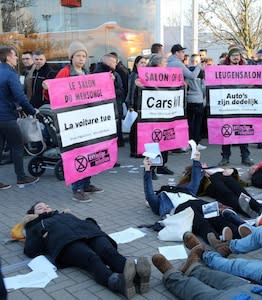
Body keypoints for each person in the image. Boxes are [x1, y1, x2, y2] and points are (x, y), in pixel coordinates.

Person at [23, 202, 151, 299]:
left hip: (89, 233)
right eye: (40, 208)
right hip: (66, 243)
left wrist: (90, 222)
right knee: (91, 257)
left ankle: (138, 276)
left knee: (108, 251)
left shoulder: (65, 214)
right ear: (33, 213)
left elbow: (82, 222)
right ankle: (117, 282)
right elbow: (30, 250)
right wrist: (40, 237)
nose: (45, 208)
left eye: (47, 206)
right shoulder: (34, 225)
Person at [143, 152, 253, 242]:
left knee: (217, 214)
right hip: (182, 209)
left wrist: (196, 161)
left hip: (198, 202)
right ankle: (217, 241)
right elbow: (149, 194)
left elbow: (195, 181)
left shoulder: (186, 190)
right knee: (201, 222)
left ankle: (238, 230)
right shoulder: (160, 199)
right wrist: (147, 170)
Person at [47, 41, 104, 202]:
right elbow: (53, 92)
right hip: (71, 119)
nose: (81, 59)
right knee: (76, 153)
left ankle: (86, 183)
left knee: (89, 151)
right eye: (78, 55)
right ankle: (77, 188)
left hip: (86, 119)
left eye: (84, 56)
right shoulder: (65, 72)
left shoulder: (86, 72)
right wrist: (47, 87)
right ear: (71, 57)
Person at [151, 252, 262, 300]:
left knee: (197, 291)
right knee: (220, 277)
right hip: (257, 293)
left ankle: (171, 275)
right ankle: (194, 268)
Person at [178, 156, 262, 218]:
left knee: (240, 191)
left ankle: (259, 207)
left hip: (225, 177)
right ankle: (245, 210)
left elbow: (241, 181)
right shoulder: (195, 173)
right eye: (202, 164)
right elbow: (188, 185)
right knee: (227, 194)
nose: (204, 164)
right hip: (212, 184)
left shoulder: (216, 168)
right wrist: (200, 172)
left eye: (204, 163)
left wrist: (232, 170)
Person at [0, 46, 40, 190]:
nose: (17, 58)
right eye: (15, 56)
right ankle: (21, 177)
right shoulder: (11, 74)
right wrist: (31, 110)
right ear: (8, 57)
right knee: (17, 146)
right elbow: (20, 96)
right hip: (7, 118)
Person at [218, 46, 255, 166]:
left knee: (243, 131)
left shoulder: (246, 68)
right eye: (233, 55)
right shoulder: (222, 69)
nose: (235, 57)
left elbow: (252, 83)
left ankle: (245, 156)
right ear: (229, 57)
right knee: (226, 131)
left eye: (237, 55)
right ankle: (225, 157)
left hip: (242, 105)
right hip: (228, 105)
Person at [125, 55, 147, 157]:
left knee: (139, 129)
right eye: (141, 62)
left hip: (142, 105)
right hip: (134, 105)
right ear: (136, 64)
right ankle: (134, 151)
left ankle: (137, 150)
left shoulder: (145, 74)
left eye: (145, 62)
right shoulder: (134, 75)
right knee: (134, 129)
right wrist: (130, 105)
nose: (144, 64)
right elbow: (131, 91)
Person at [186, 54, 207, 150]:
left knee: (189, 123)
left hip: (188, 100)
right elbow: (203, 87)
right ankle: (196, 143)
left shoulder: (186, 71)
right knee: (197, 123)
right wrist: (203, 97)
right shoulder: (200, 72)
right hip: (198, 100)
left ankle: (188, 142)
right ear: (198, 62)